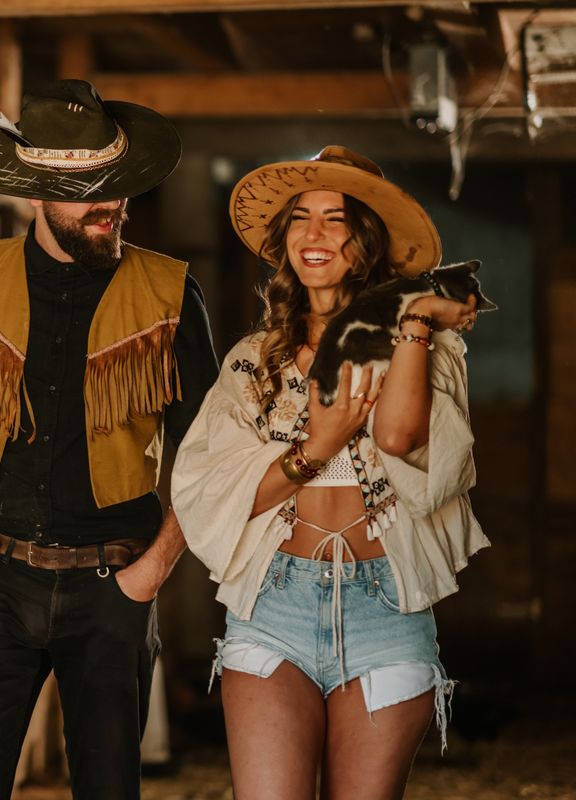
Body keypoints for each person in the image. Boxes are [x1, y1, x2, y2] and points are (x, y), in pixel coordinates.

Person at [0, 79, 218, 799]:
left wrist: (153, 573)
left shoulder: (171, 295)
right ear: (37, 192)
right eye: (86, 190)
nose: (112, 206)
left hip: (113, 587)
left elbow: (211, 458)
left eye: (118, 185)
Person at [171, 146, 489, 799]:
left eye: (337, 219)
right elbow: (218, 492)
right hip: (274, 603)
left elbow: (406, 443)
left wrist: (412, 320)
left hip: (386, 606)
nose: (314, 235)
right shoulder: (252, 361)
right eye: (300, 219)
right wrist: (316, 450)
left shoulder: (425, 342)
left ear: (367, 240)